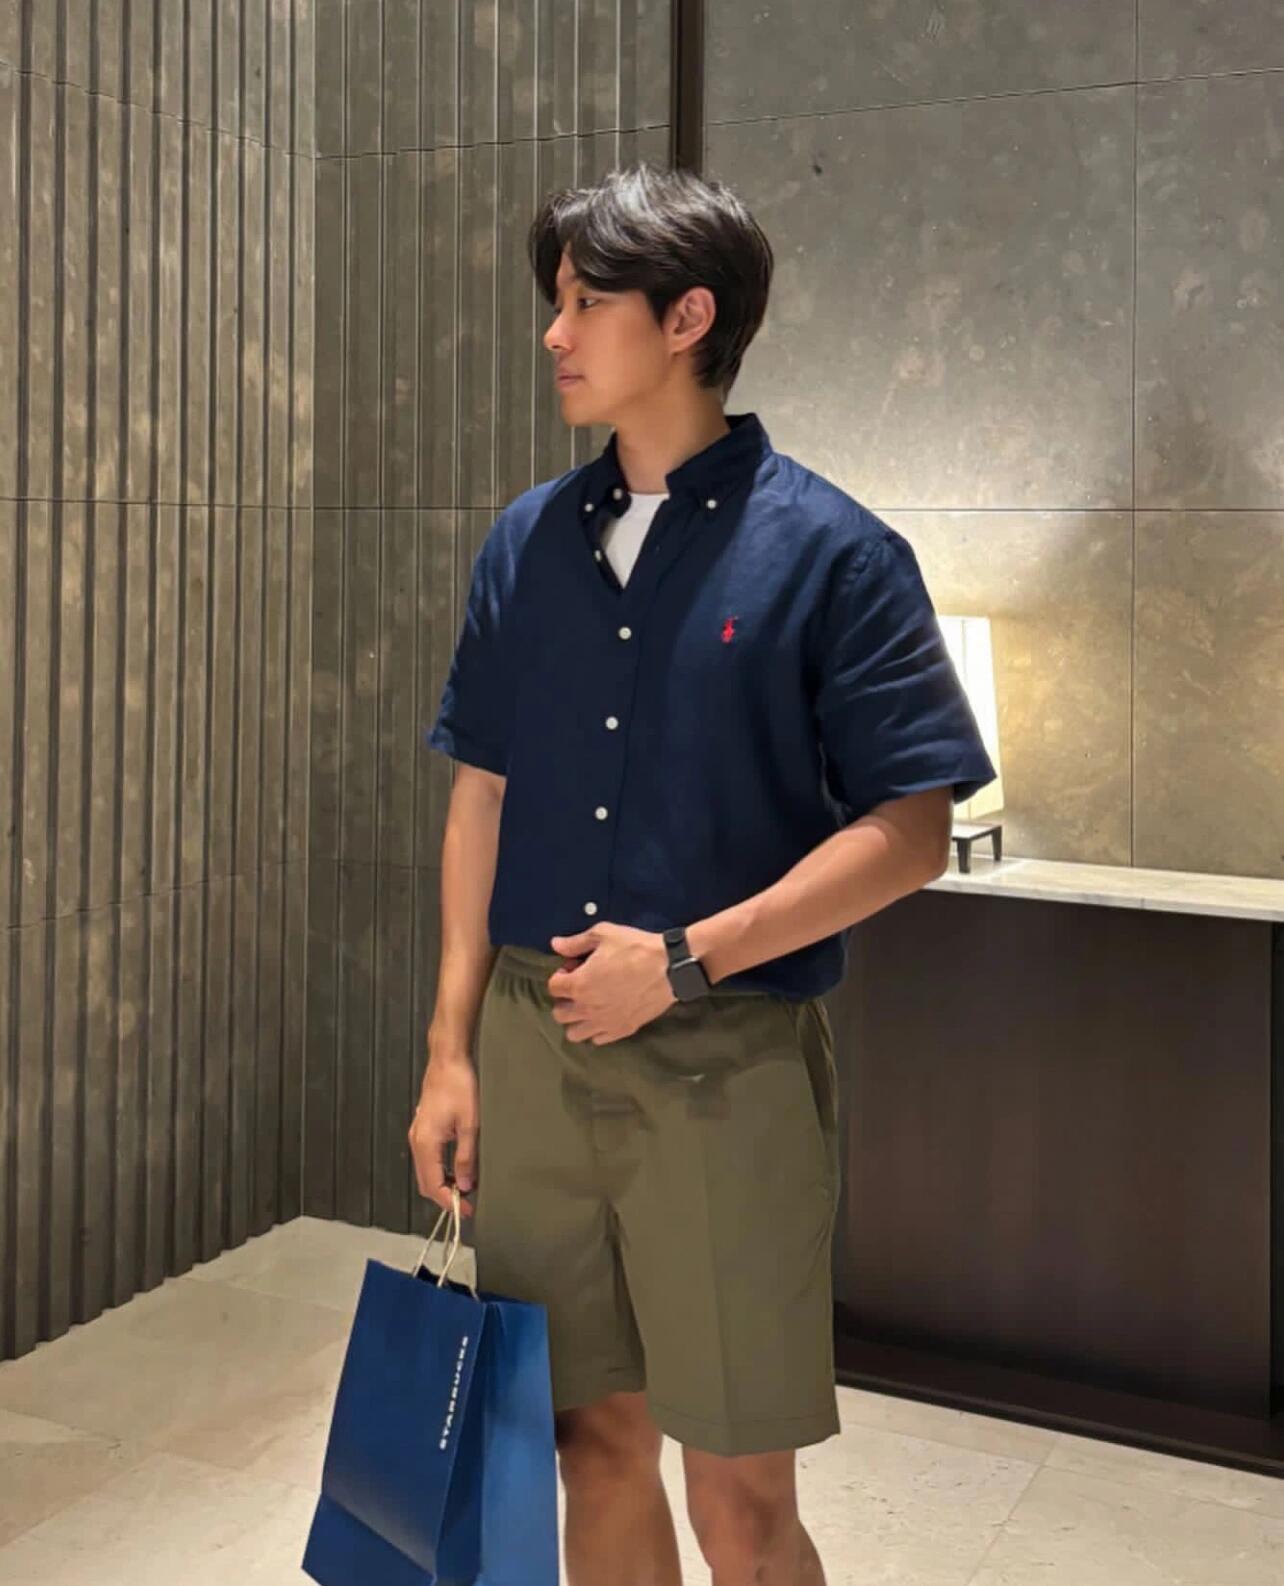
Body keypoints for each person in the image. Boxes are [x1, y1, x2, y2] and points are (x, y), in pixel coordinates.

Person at [410, 161, 996, 1586]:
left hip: (727, 1058)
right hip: (532, 1046)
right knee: (589, 1442)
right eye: (555, 302)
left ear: (688, 319)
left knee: (739, 1495)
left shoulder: (836, 552)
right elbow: (481, 796)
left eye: (585, 303)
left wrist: (681, 959)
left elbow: (912, 829)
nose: (553, 334)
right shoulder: (525, 542)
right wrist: (450, 1050)